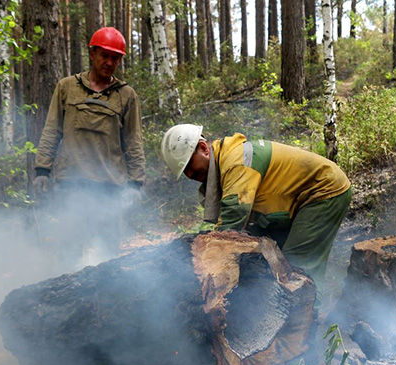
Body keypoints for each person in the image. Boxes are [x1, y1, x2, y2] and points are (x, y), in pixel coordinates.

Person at [161, 124, 352, 308]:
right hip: (295, 203)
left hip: (323, 191)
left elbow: (235, 213)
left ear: (203, 148)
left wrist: (212, 255)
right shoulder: (224, 164)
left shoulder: (236, 160)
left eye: (188, 165)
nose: (189, 174)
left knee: (296, 270)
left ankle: (305, 330)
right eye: (184, 171)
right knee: (270, 262)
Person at [32, 27, 145, 267]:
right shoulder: (66, 87)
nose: (110, 62)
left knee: (109, 256)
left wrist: (135, 184)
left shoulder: (126, 95)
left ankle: (107, 302)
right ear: (92, 53)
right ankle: (64, 301)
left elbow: (134, 142)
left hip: (110, 188)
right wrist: (42, 170)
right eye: (104, 55)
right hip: (70, 185)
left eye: (115, 58)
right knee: (68, 252)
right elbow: (52, 130)